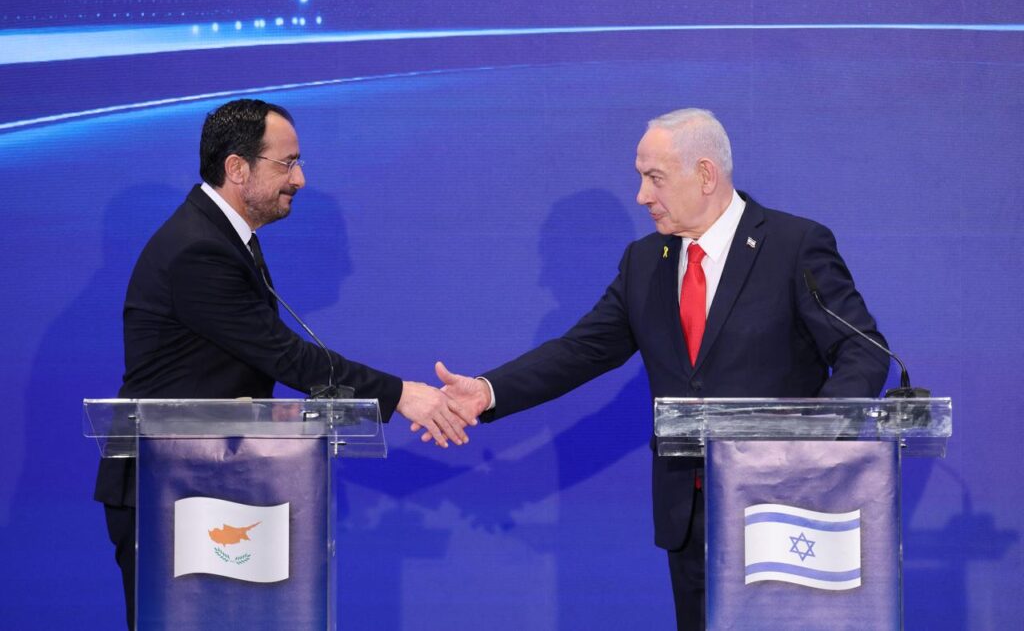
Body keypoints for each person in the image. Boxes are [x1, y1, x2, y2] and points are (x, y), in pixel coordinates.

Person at [434, 108, 891, 630]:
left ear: (705, 174)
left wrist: (811, 440)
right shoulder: (645, 262)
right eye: (640, 178)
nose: (642, 196)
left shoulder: (793, 246)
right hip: (689, 514)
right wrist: (487, 391)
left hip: (785, 507)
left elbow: (864, 351)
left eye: (655, 178)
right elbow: (580, 351)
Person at [95, 98, 473, 629]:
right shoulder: (198, 250)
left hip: (206, 482)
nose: (300, 178)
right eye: (287, 163)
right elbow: (284, 355)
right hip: (170, 487)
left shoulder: (219, 237)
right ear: (237, 168)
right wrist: (402, 395)